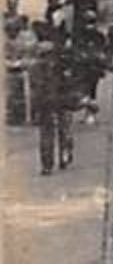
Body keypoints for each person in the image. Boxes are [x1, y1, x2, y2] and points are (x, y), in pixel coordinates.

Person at [29, 21, 72, 173]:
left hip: (46, 99)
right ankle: (64, 156)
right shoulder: (61, 61)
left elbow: (34, 89)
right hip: (59, 97)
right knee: (64, 127)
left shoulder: (34, 66)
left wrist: (34, 109)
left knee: (47, 131)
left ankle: (47, 164)